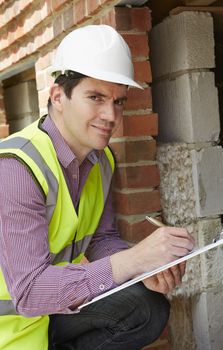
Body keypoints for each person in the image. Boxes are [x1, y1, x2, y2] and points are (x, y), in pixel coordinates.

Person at [0, 25, 194, 350]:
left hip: (55, 311)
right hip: (13, 327)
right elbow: (30, 292)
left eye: (118, 101)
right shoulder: (15, 169)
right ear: (58, 95)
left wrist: (142, 267)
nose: (111, 115)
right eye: (96, 98)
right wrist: (131, 262)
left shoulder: (101, 160)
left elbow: (100, 240)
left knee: (146, 306)